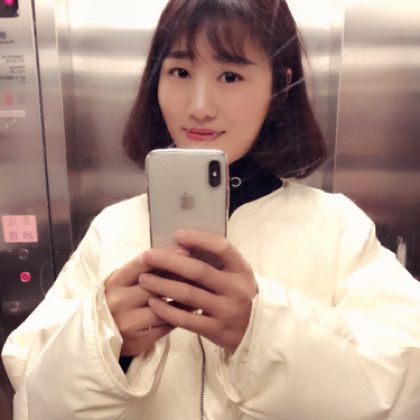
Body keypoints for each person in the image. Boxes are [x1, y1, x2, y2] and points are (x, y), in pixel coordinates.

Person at [3, 0, 420, 419]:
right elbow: (33, 392)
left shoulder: (338, 227)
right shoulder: (112, 229)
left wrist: (262, 332)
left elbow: (402, 387)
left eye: (230, 76)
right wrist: (106, 344)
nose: (199, 106)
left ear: (280, 85)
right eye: (180, 72)